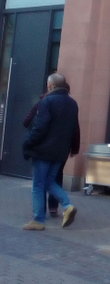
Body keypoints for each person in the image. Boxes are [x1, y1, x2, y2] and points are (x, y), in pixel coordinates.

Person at [22, 72, 80, 230]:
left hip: (43, 150)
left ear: (50, 85)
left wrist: (27, 142)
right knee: (49, 181)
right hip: (60, 152)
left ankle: (38, 220)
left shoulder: (46, 101)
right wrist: (73, 147)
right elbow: (74, 128)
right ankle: (67, 205)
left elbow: (39, 128)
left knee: (38, 184)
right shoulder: (73, 104)